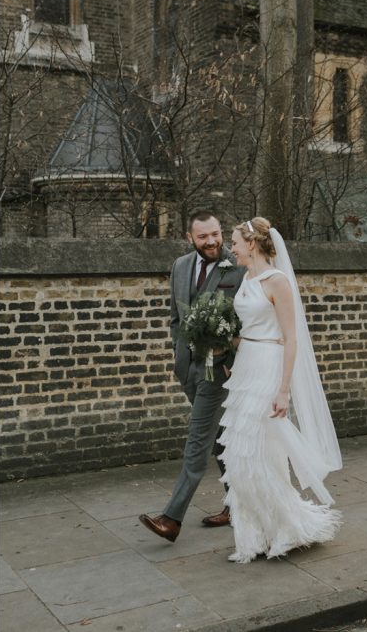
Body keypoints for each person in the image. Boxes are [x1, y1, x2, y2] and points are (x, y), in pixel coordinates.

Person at [219, 217, 342, 562]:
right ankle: (253, 535)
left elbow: (291, 339)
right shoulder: (246, 278)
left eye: (235, 242)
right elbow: (249, 327)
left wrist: (284, 389)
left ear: (252, 244)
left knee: (262, 454)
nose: (232, 248)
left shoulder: (278, 281)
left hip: (270, 366)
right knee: (239, 456)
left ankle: (287, 528)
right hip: (246, 364)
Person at [139, 210, 246, 543]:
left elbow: (249, 319)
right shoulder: (180, 267)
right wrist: (178, 353)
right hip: (189, 368)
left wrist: (232, 357)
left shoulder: (239, 268)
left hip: (220, 371)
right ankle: (237, 505)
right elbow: (175, 318)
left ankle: (172, 518)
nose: (212, 241)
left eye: (215, 234)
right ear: (191, 238)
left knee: (197, 441)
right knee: (218, 439)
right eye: (203, 237)